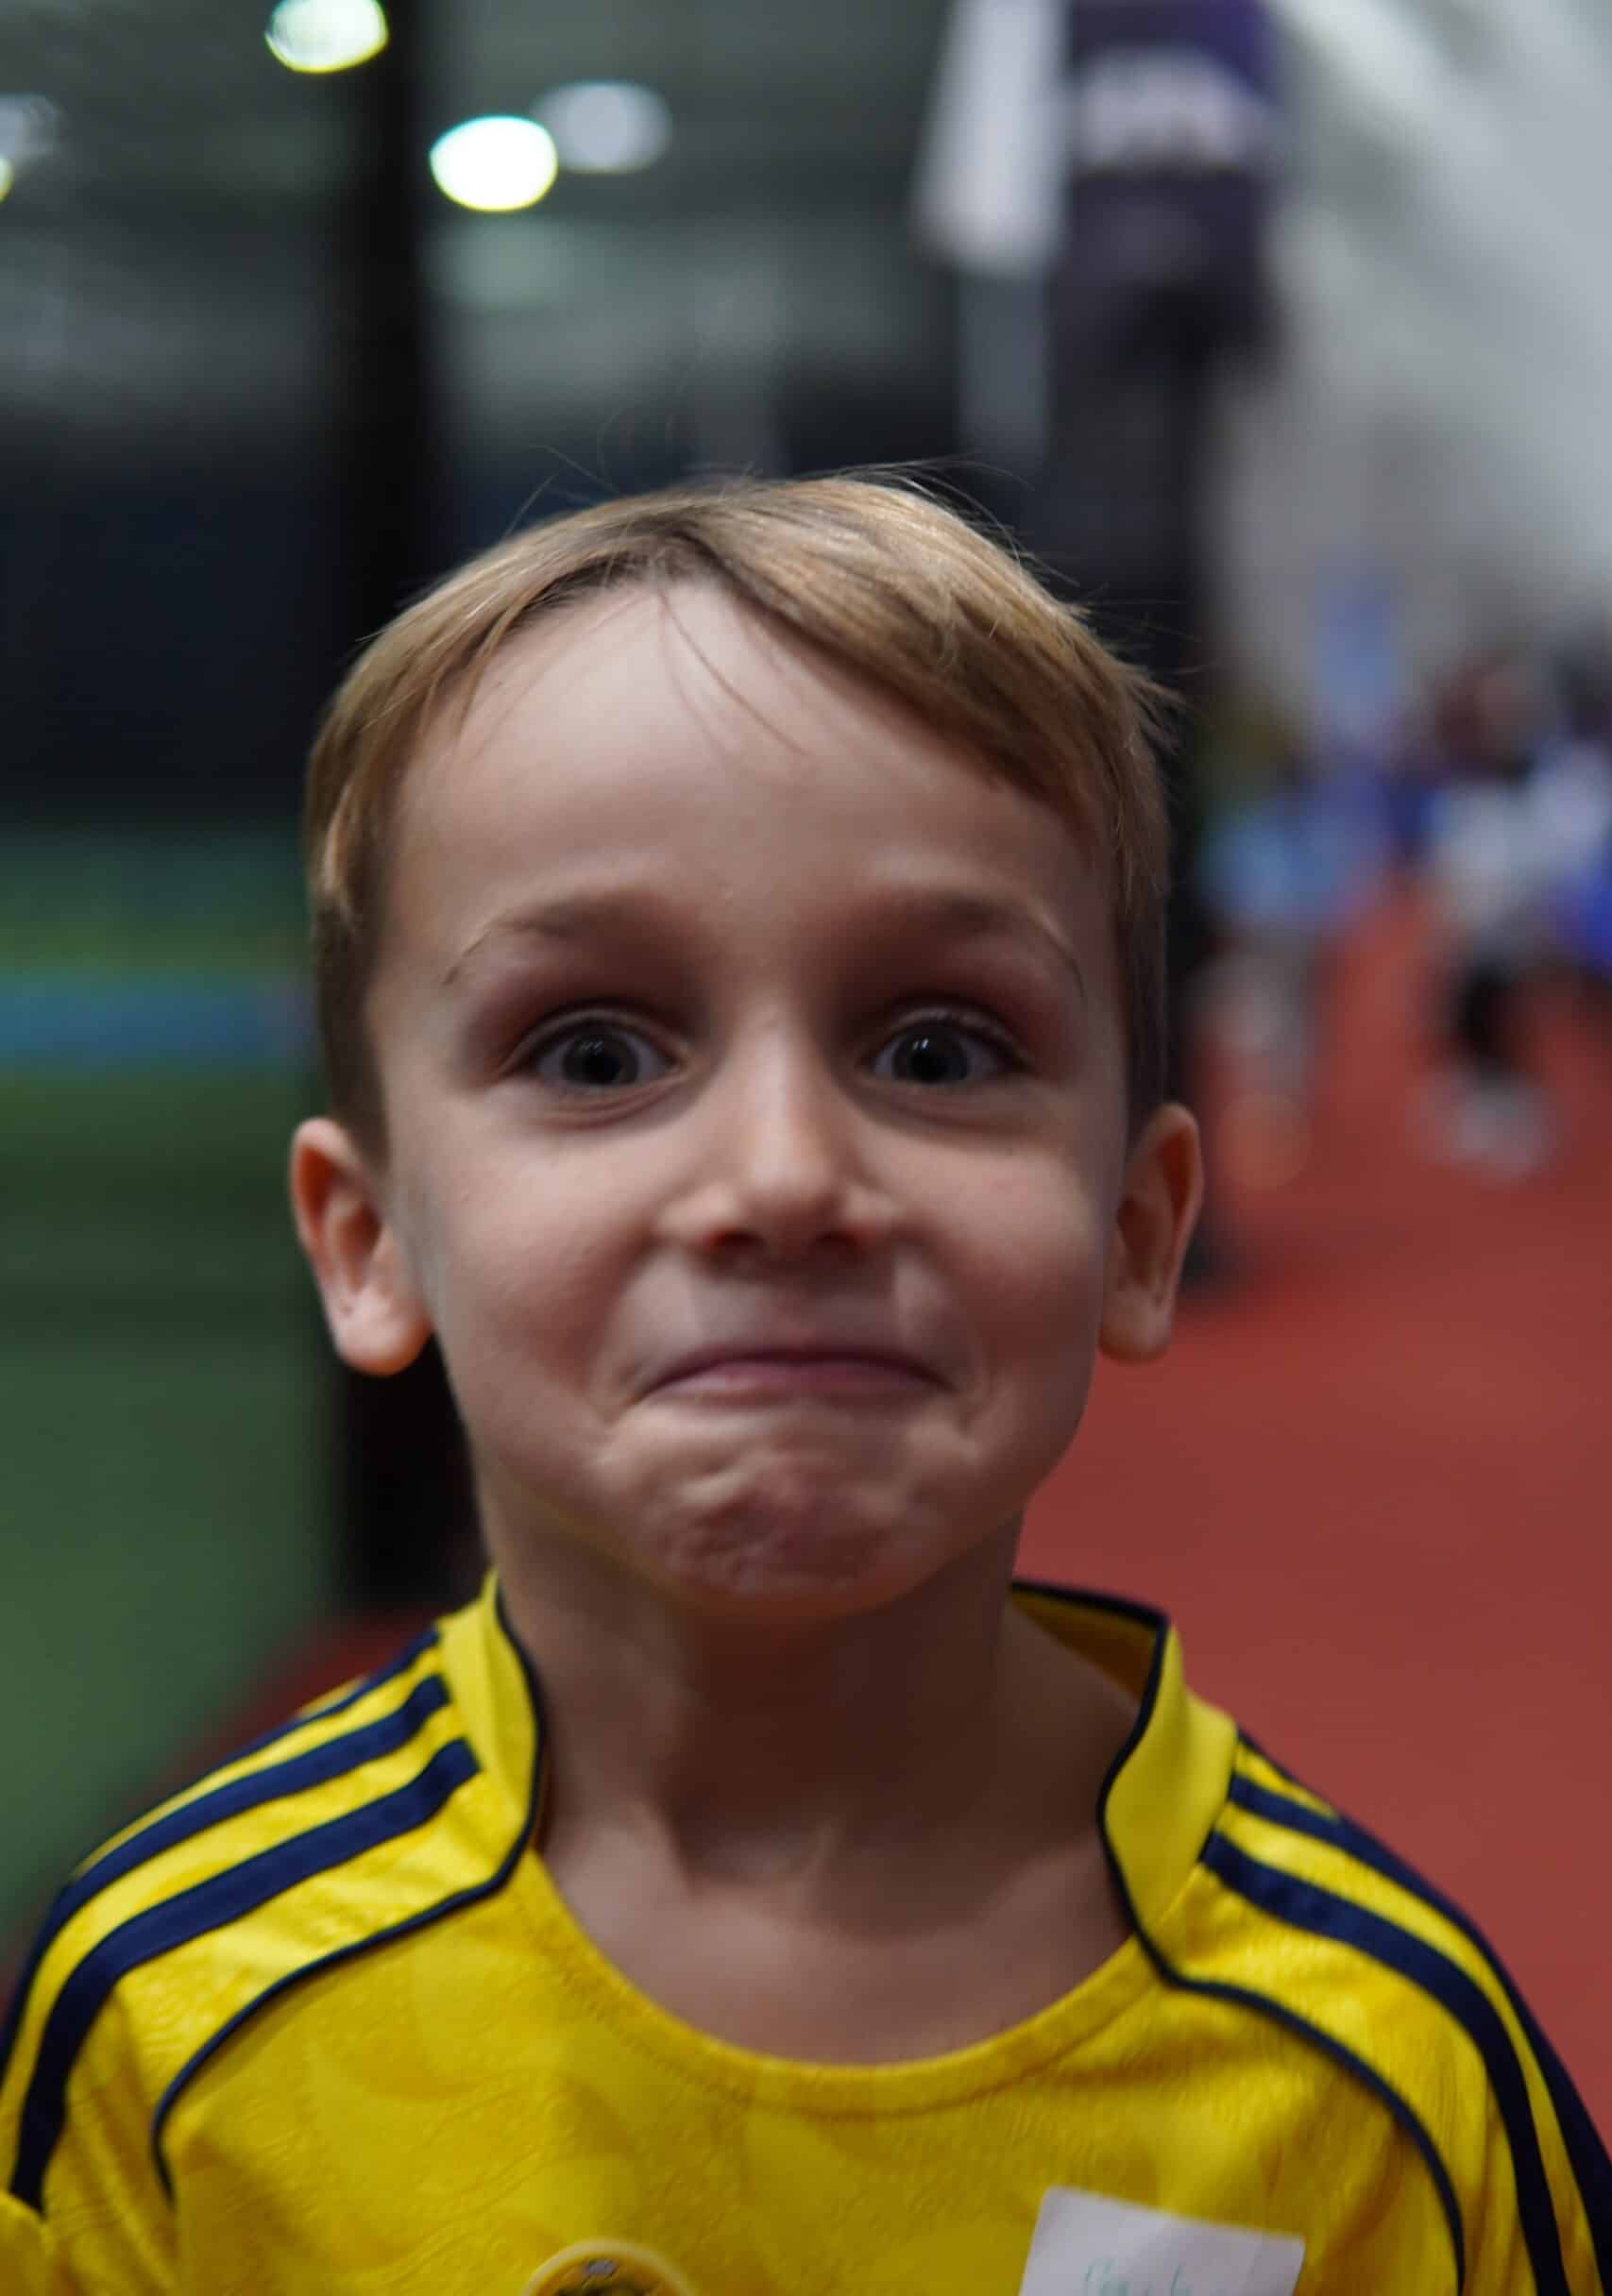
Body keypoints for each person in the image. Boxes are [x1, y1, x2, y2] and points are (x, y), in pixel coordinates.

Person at [2, 478, 1606, 2295]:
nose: (781, 1176)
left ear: (1139, 1231)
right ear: (368, 1243)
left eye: (937, 1049)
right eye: (592, 1053)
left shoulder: (1391, 2088)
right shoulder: (171, 2030)